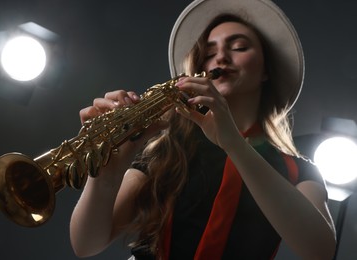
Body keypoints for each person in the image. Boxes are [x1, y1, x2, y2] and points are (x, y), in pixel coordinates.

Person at [70, 0, 336, 259]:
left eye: (240, 47)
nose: (220, 56)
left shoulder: (301, 171)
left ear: (266, 69)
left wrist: (234, 144)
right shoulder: (164, 151)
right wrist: (107, 171)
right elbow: (86, 244)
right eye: (208, 54)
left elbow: (320, 250)